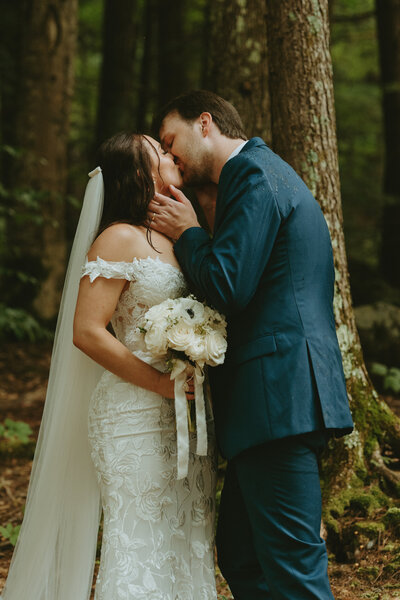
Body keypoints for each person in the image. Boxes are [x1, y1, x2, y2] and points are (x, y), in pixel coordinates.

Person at [149, 89, 354, 600]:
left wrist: (189, 233)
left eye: (171, 142)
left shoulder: (252, 173)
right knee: (242, 557)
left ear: (205, 123)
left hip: (278, 396)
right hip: (273, 401)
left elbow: (228, 284)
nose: (169, 156)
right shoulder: (265, 172)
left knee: (294, 570)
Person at [0, 132, 217, 600]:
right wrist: (160, 384)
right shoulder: (117, 237)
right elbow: (87, 331)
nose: (169, 151)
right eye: (158, 151)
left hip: (186, 415)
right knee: (138, 544)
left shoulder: (177, 236)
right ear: (141, 174)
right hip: (132, 414)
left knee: (187, 540)